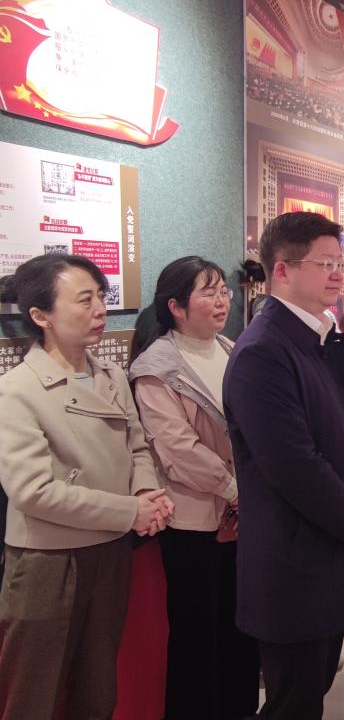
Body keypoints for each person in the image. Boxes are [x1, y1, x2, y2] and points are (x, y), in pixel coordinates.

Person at [223, 212, 344, 720]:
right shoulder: (263, 351)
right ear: (282, 270)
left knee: (315, 685)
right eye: (325, 264)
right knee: (294, 698)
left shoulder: (324, 338)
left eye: (340, 262)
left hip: (332, 545)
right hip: (293, 558)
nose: (338, 275)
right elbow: (293, 465)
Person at [0, 254, 172, 718]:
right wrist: (130, 512)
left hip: (111, 549)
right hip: (49, 561)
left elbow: (138, 445)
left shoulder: (111, 375)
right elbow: (33, 492)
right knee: (34, 694)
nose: (100, 309)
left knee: (97, 688)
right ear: (41, 316)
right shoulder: (17, 389)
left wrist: (145, 493)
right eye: (84, 300)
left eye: (100, 296)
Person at [129, 256, 259, 720]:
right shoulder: (155, 368)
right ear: (176, 306)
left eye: (223, 290)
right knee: (197, 636)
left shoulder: (232, 348)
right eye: (208, 292)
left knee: (242, 627)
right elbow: (177, 449)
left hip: (245, 515)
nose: (222, 300)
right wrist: (235, 490)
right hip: (195, 520)